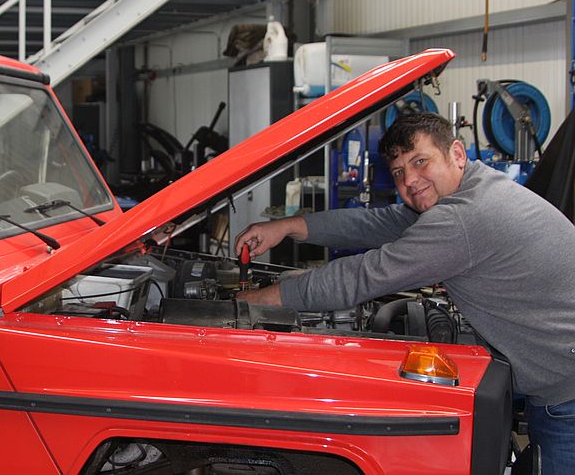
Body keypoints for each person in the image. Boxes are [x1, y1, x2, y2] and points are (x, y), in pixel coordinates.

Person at [234, 112, 575, 474]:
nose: (410, 180)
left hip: (565, 392)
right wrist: (288, 227)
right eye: (399, 172)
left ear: (456, 153)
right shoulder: (473, 187)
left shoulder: (464, 218)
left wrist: (254, 303)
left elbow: (363, 276)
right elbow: (378, 222)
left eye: (420, 161)